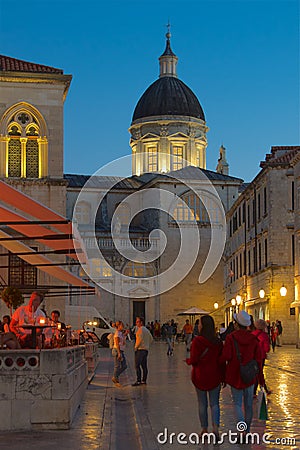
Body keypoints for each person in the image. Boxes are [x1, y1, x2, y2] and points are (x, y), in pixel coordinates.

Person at [220, 310, 263, 434]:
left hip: (235, 374)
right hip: (249, 376)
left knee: (237, 404)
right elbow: (259, 359)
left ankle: (242, 430)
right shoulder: (254, 339)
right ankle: (247, 430)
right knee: (248, 404)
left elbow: (226, 356)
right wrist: (261, 380)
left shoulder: (231, 338)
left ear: (236, 324)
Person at [186, 315, 225, 439]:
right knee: (215, 403)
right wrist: (224, 377)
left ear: (203, 326)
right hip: (215, 375)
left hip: (200, 376)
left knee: (202, 403)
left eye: (200, 324)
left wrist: (188, 361)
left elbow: (194, 359)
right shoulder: (218, 342)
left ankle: (204, 429)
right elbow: (221, 361)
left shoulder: (197, 341)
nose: (198, 325)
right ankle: (216, 428)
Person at [252, 319, 271, 396]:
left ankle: (256, 390)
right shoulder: (264, 336)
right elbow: (267, 349)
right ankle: (262, 389)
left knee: (255, 373)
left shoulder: (252, 334)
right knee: (259, 373)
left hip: (252, 356)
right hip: (261, 357)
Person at [132, 316, 153, 386]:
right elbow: (151, 339)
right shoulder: (147, 330)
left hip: (140, 350)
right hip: (145, 350)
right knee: (144, 366)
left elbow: (139, 340)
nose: (136, 323)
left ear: (141, 322)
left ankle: (138, 380)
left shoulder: (140, 330)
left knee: (137, 365)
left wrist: (135, 347)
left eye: (137, 321)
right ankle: (144, 380)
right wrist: (147, 345)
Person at [112, 321, 127, 387]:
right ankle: (115, 378)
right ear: (118, 326)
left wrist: (125, 334)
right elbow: (117, 344)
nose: (123, 327)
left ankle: (115, 376)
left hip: (121, 351)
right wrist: (119, 353)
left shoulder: (120, 333)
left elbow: (122, 340)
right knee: (117, 366)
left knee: (124, 366)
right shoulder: (117, 334)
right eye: (122, 325)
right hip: (117, 351)